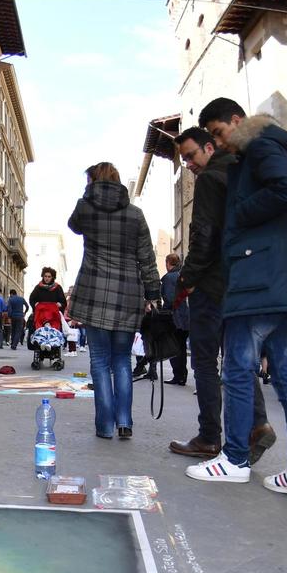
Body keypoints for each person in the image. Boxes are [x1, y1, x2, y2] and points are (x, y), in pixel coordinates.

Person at [185, 98, 287, 497]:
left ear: (236, 121)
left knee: (239, 368)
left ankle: (236, 458)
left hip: (258, 278)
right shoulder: (266, 148)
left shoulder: (259, 146)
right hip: (283, 280)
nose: (219, 143)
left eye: (219, 132)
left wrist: (237, 214)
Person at [169, 128, 276, 462]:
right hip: (240, 281)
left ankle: (209, 435)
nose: (188, 165)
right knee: (238, 358)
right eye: (184, 158)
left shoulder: (210, 180)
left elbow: (204, 235)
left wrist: (187, 277)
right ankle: (257, 423)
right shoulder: (243, 174)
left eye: (190, 155)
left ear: (210, 146)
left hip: (211, 283)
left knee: (204, 360)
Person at [67, 162, 162, 440]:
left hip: (94, 291)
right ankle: (124, 421)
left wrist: (87, 197)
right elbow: (147, 257)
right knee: (122, 359)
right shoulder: (135, 214)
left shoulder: (85, 207)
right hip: (128, 293)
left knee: (99, 361)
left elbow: (73, 226)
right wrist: (154, 293)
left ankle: (104, 426)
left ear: (92, 182)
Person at [159, 253, 189, 385]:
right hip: (186, 318)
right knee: (181, 347)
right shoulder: (182, 275)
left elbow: (170, 299)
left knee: (174, 347)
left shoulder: (169, 278)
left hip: (174, 317)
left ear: (168, 263)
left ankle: (178, 375)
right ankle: (182, 375)